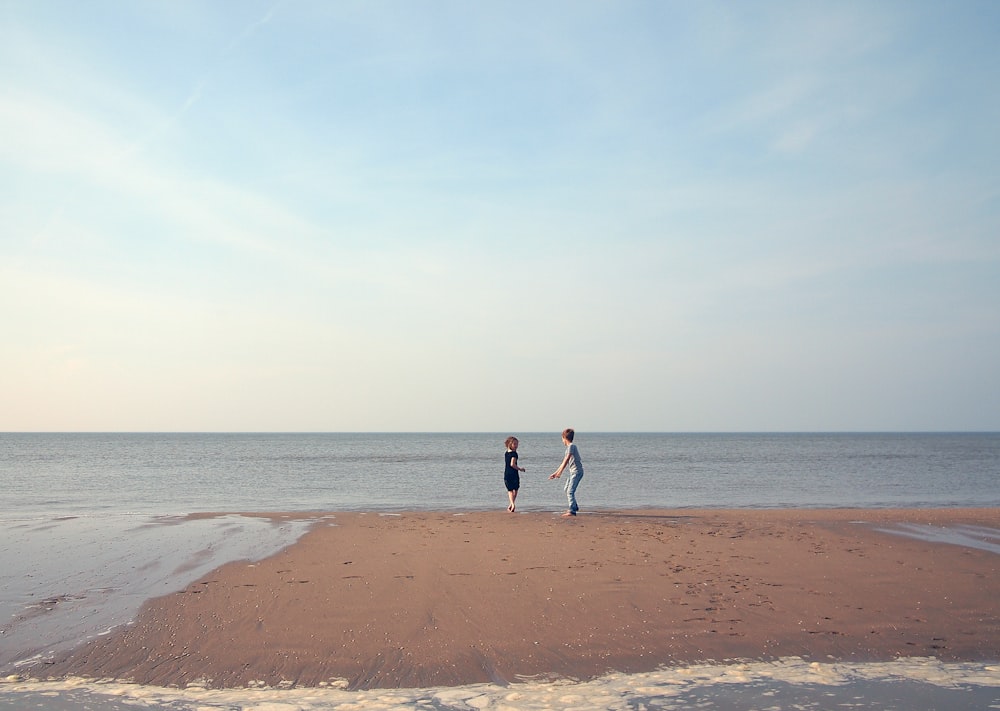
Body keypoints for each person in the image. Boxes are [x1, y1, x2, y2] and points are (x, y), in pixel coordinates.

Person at [549, 428, 583, 516]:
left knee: (570, 491)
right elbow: (563, 462)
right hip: (572, 472)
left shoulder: (571, 446)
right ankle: (574, 506)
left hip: (577, 472)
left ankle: (572, 510)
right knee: (566, 489)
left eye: (562, 439)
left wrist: (560, 473)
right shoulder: (569, 448)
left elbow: (566, 460)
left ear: (564, 438)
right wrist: (556, 473)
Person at [503, 436, 525, 512]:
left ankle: (511, 504)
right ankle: (512, 504)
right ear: (510, 444)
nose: (516, 446)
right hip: (513, 473)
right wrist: (520, 469)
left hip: (506, 473)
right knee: (515, 489)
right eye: (514, 444)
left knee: (510, 490)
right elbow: (512, 464)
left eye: (517, 444)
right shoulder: (514, 454)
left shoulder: (506, 453)